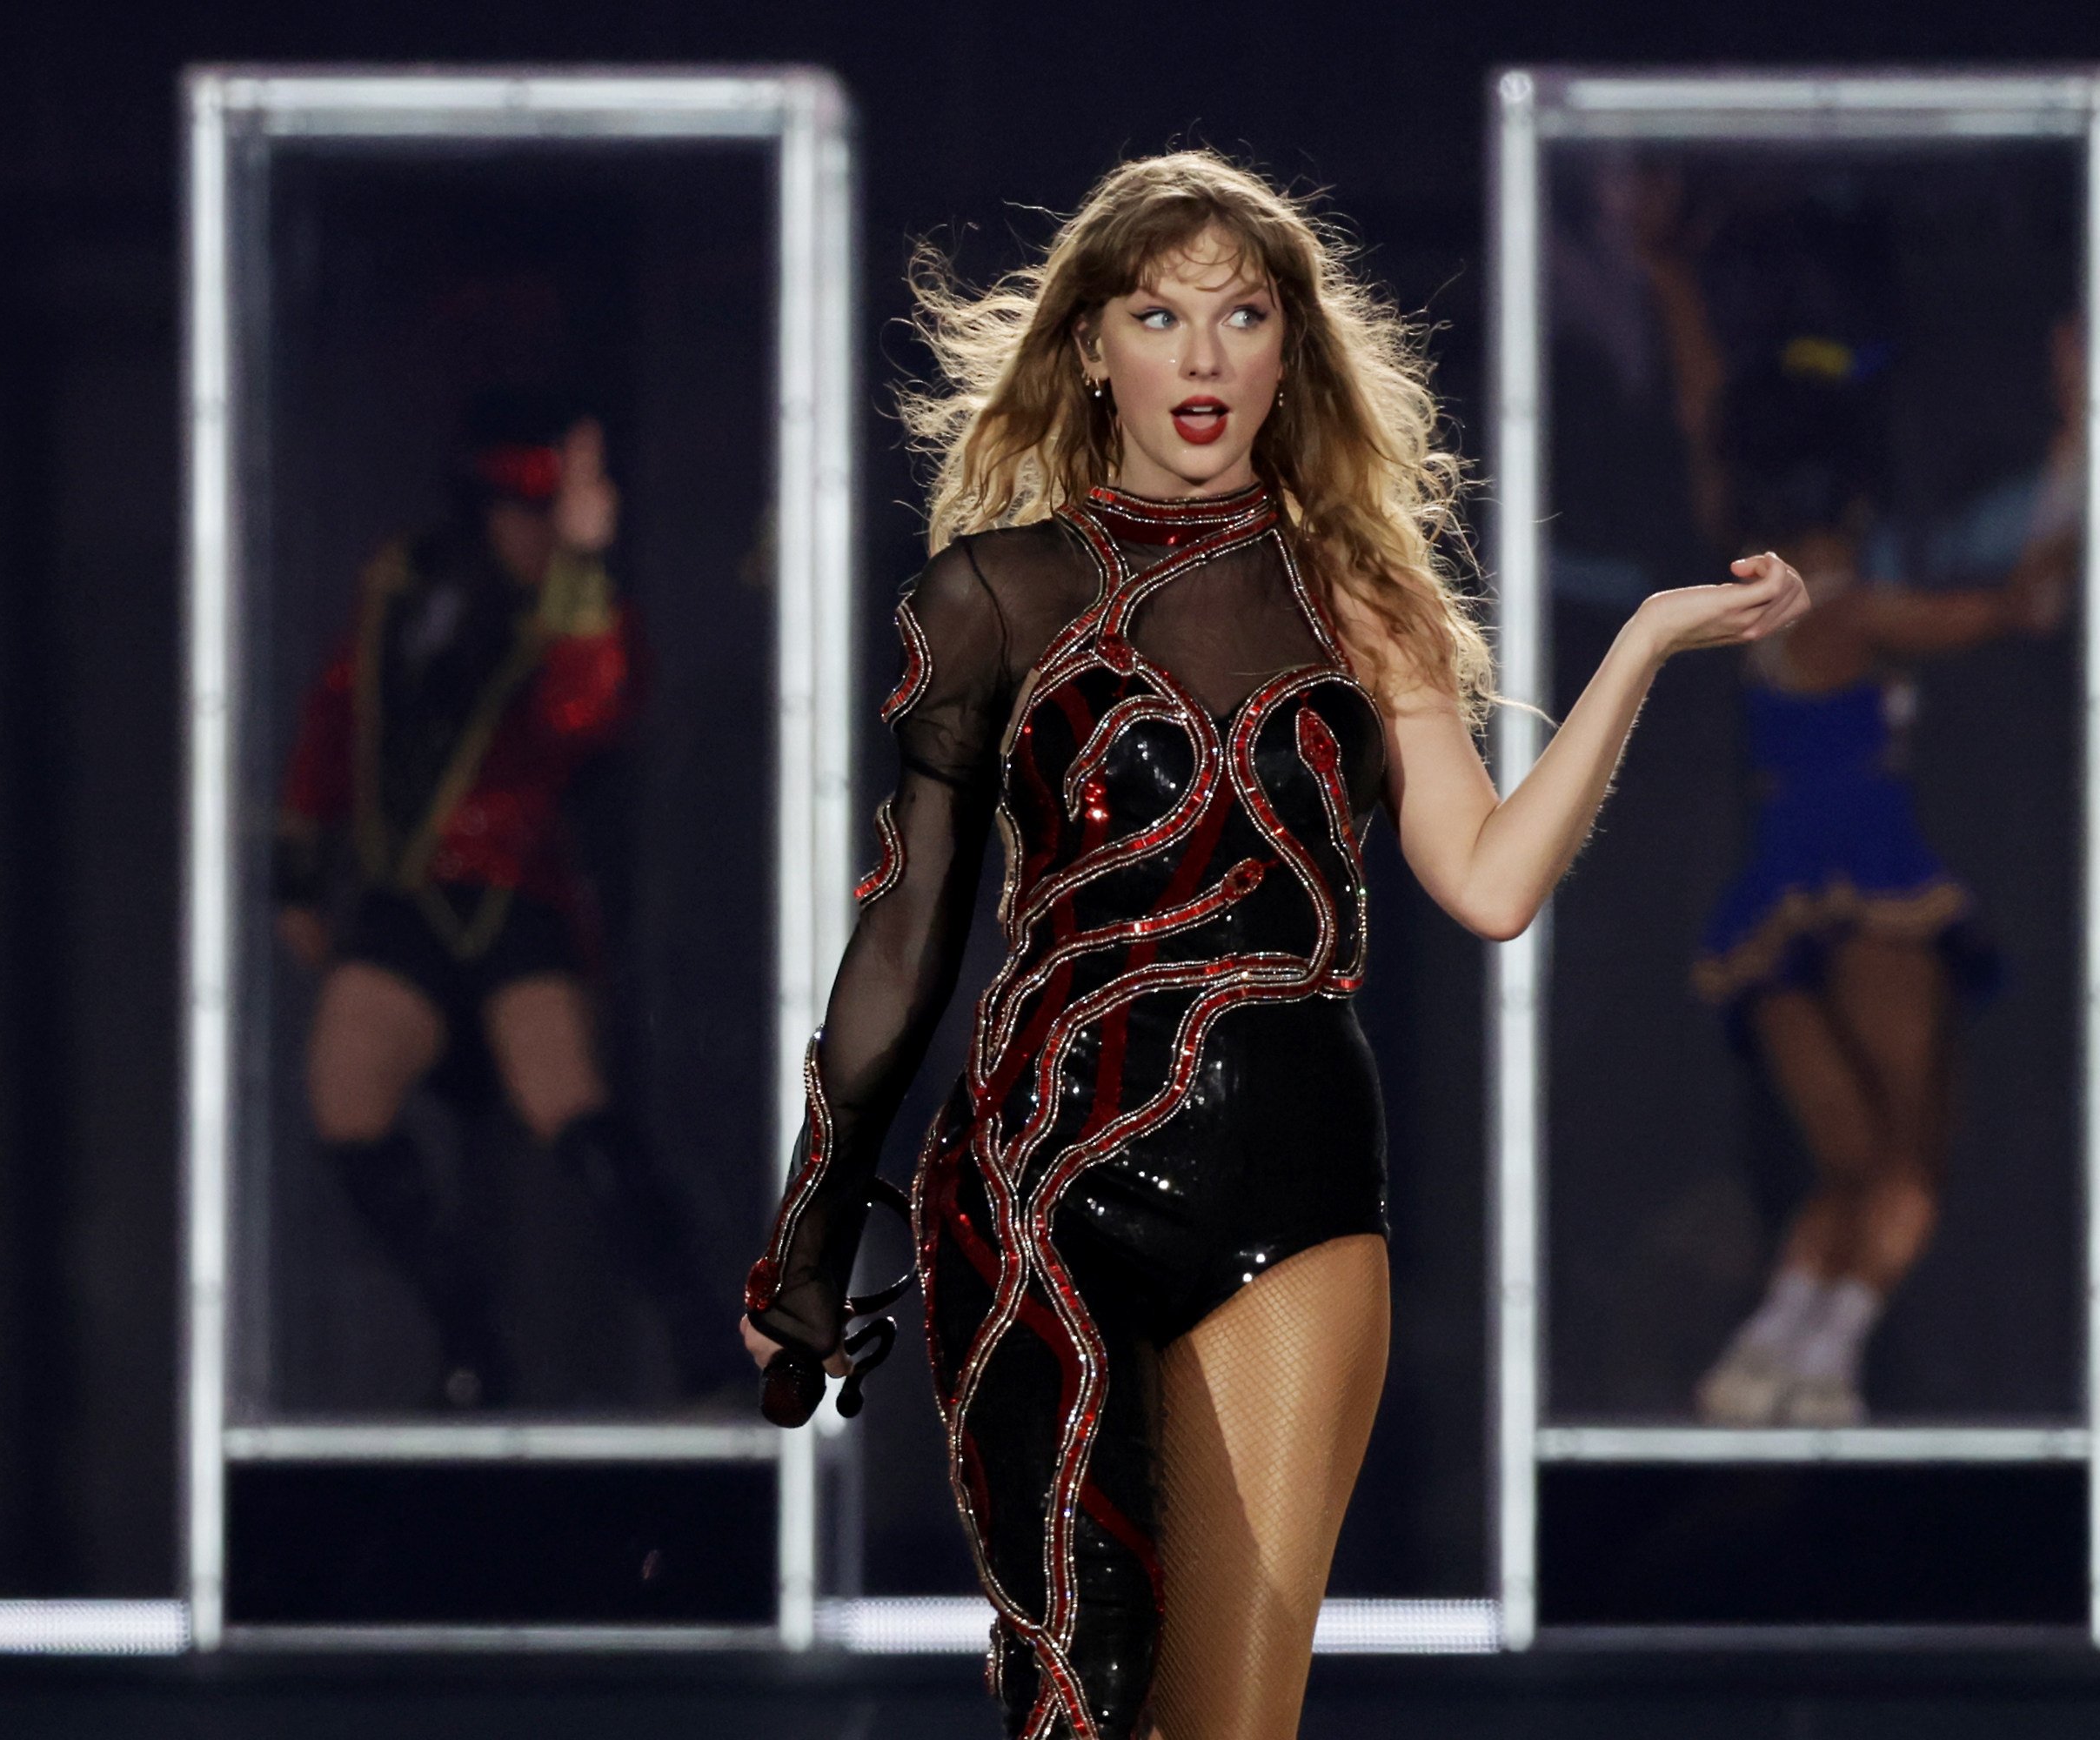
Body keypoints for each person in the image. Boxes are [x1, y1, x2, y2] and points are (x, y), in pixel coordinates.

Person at [737, 151, 1806, 1740]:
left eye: (1244, 316)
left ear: (1288, 353)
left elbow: (1493, 882)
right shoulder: (992, 599)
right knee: (1076, 1698)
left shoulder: (1365, 600)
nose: (1206, 354)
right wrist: (811, 1239)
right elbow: (907, 933)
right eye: (1162, 313)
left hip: (1296, 1181)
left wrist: (1643, 641)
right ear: (1093, 346)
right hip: (1034, 1185)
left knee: (1234, 1725)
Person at [1627, 179, 2082, 1429]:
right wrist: (2076, 446)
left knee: (1856, 1165)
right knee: (1911, 1173)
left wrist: (1671, 280)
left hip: (1778, 899)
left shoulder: (1754, 582)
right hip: (1866, 886)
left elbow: (1705, 410)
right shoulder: (1847, 609)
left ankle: (1778, 1351)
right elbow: (2026, 605)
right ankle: (1812, 1357)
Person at [278, 392, 738, 1408]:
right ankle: (468, 1330)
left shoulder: (570, 606)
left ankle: (696, 1323)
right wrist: (303, 855)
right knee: (345, 1101)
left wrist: (583, 560)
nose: (530, 530)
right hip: (407, 893)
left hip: (516, 890)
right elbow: (341, 711)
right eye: (516, 511)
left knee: (568, 1103)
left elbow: (590, 709)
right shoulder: (405, 583)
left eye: (545, 513)